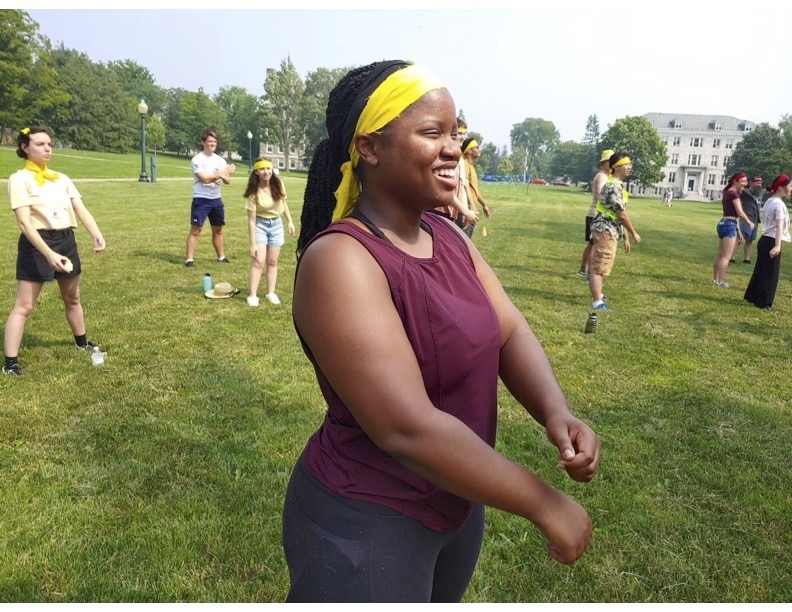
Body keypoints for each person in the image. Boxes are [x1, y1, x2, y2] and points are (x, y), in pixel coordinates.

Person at [284, 59, 600, 603]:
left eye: (455, 132)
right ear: (370, 147)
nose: (453, 147)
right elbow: (406, 428)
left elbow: (508, 331)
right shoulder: (341, 260)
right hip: (367, 521)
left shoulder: (449, 237)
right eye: (432, 132)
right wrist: (543, 502)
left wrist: (556, 412)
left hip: (457, 500)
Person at [3, 126, 106, 377]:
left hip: (66, 240)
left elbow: (80, 209)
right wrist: (49, 254)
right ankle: (10, 363)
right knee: (25, 306)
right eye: (39, 144)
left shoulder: (61, 177)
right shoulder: (19, 180)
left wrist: (96, 233)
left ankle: (82, 342)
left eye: (49, 144)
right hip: (37, 243)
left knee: (73, 298)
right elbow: (24, 223)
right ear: (25, 148)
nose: (47, 148)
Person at [587, 152, 641, 311]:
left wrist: (625, 237)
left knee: (603, 265)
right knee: (598, 266)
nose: (629, 167)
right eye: (626, 164)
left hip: (609, 230)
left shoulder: (615, 185)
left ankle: (599, 294)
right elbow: (622, 215)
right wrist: (633, 233)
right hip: (605, 230)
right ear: (617, 167)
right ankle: (597, 302)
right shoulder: (612, 187)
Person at [243, 157, 295, 306]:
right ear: (256, 172)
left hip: (276, 224)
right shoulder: (253, 193)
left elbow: (283, 204)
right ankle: (252, 295)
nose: (266, 172)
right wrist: (253, 243)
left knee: (272, 261)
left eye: (268, 168)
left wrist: (289, 221)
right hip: (260, 224)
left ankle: (270, 293)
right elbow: (251, 220)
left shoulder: (278, 184)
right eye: (262, 169)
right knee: (259, 261)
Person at [185, 128, 236, 267]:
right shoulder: (197, 159)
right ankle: (189, 260)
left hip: (216, 199)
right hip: (201, 199)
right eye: (210, 141)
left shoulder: (220, 160)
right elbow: (205, 180)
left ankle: (221, 257)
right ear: (203, 142)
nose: (212, 144)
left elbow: (228, 181)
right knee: (196, 230)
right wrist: (222, 173)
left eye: (214, 141)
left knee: (218, 230)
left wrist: (224, 175)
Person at [743, 174, 790, 310]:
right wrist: (777, 245)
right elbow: (779, 226)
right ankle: (765, 301)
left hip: (765, 239)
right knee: (770, 274)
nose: (791, 189)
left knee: (761, 270)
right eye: (790, 186)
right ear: (781, 187)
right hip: (771, 240)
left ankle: (753, 296)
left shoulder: (770, 201)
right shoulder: (778, 204)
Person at [430, 116, 478, 228]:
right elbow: (442, 189)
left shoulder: (459, 159)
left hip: (451, 214)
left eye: (464, 134)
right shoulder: (444, 157)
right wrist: (465, 211)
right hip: (436, 212)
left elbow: (461, 189)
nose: (463, 137)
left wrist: (464, 212)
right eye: (459, 133)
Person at [712, 173, 754, 288]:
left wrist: (738, 230)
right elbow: (739, 213)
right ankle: (720, 281)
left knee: (720, 254)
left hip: (723, 223)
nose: (745, 184)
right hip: (729, 225)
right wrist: (749, 223)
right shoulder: (734, 195)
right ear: (735, 181)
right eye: (743, 181)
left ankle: (715, 279)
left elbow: (731, 215)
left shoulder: (727, 193)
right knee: (726, 256)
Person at [579, 150, 613, 279]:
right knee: (595, 244)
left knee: (593, 243)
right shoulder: (601, 177)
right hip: (595, 215)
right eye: (609, 161)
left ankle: (585, 269)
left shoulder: (607, 177)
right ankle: (588, 271)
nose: (611, 164)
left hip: (600, 214)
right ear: (603, 162)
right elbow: (600, 196)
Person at [461, 137, 492, 237]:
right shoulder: (464, 164)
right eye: (477, 147)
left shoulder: (471, 167)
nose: (480, 150)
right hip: (466, 208)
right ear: (469, 150)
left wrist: (484, 205)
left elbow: (475, 190)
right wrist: (471, 206)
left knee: (467, 240)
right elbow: (464, 185)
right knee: (463, 241)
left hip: (471, 208)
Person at [732, 176, 764, 264]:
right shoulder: (745, 192)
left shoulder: (760, 193)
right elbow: (737, 190)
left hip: (756, 220)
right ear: (751, 183)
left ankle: (747, 258)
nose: (759, 184)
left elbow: (771, 189)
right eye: (757, 182)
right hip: (746, 219)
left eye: (760, 183)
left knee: (750, 240)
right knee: (739, 239)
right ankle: (732, 257)